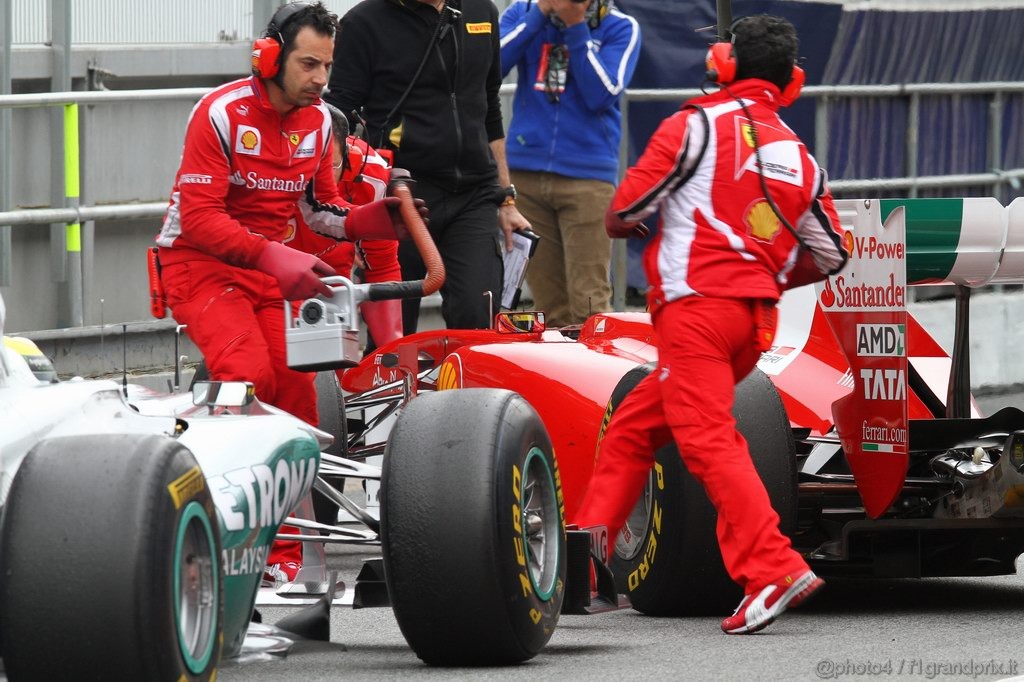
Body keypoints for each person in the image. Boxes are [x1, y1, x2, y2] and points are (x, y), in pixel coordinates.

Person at [572, 15, 848, 635]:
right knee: (634, 428)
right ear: (792, 82)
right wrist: (764, 273)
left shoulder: (692, 124)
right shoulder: (802, 158)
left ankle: (772, 566)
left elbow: (622, 212)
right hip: (753, 324)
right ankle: (580, 568)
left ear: (722, 64)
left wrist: (649, 224)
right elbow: (832, 254)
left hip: (696, 314)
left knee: (705, 438)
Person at [155, 1, 412, 584]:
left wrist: (369, 222)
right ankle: (214, 536)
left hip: (270, 270)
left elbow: (319, 211)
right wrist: (273, 253)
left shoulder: (321, 121)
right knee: (247, 374)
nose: (321, 79)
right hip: (200, 265)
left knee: (298, 396)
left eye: (327, 65)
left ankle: (284, 559)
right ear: (269, 56)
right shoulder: (218, 113)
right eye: (307, 64)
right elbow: (196, 219)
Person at [325, 0, 531, 334]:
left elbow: (489, 107)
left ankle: (466, 387)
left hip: (473, 196)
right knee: (393, 335)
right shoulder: (364, 22)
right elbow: (339, 122)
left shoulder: (483, 12)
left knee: (476, 321)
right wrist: (348, 219)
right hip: (400, 198)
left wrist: (505, 198)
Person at [499, 0, 640, 326]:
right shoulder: (522, 12)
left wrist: (576, 27)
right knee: (547, 302)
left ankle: (598, 374)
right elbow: (490, 68)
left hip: (587, 178)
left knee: (589, 299)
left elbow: (601, 95)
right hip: (525, 174)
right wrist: (539, 15)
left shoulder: (620, 26)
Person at [288, 103, 404, 349]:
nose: (315, 178)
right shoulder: (258, 172)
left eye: (327, 165)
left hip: (331, 273)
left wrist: (393, 353)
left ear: (348, 157)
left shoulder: (370, 174)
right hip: (265, 276)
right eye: (307, 164)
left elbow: (382, 267)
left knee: (334, 365)